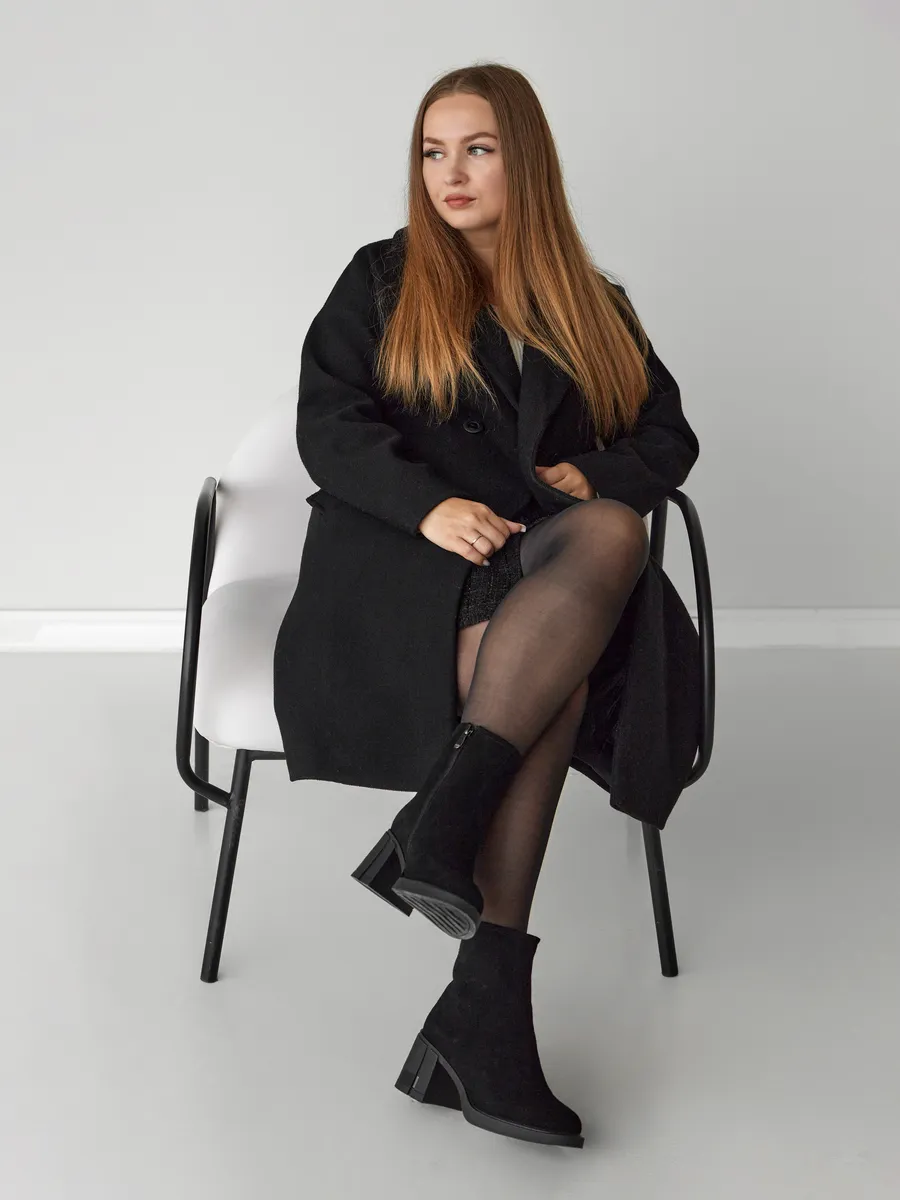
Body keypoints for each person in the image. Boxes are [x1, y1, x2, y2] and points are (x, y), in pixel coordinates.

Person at [273, 63, 700, 1149]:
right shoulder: (382, 278)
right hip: (406, 569)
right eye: (433, 151)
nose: (449, 173)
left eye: (477, 148)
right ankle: (483, 1007)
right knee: (551, 681)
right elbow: (328, 423)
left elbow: (668, 435)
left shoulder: (591, 300)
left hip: (544, 565)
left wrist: (592, 475)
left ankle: (444, 843)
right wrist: (428, 508)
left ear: (526, 160)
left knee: (613, 531)